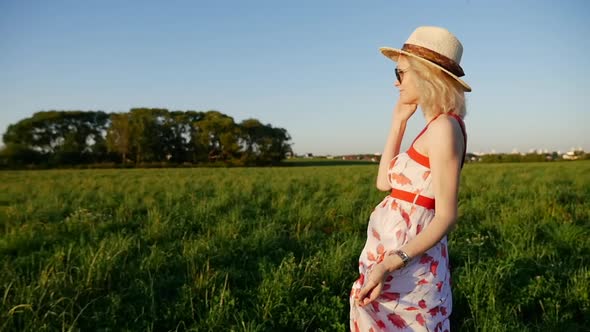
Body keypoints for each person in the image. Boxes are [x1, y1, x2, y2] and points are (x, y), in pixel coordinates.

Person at [349, 26, 471, 331]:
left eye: (400, 72)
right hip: (393, 256)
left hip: (406, 261)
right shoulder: (433, 127)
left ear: (425, 75)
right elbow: (384, 184)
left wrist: (391, 261)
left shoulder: (444, 128)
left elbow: (445, 216)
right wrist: (398, 122)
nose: (396, 81)